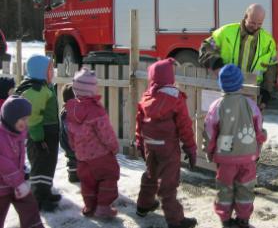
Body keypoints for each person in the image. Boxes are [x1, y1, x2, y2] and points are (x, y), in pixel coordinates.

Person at [135, 58, 198, 228]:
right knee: (168, 183)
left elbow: (139, 122)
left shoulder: (146, 96)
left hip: (150, 144)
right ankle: (175, 220)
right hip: (168, 147)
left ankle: (143, 204)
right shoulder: (176, 97)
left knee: (150, 174)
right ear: (169, 77)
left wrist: (140, 142)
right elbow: (184, 125)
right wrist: (190, 147)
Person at [203, 64, 267, 228]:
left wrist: (209, 151)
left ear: (221, 84)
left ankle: (225, 219)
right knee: (245, 188)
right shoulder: (250, 105)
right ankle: (243, 219)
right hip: (248, 156)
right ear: (240, 83)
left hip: (225, 158)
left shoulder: (216, 106)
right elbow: (259, 128)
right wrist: (259, 142)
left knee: (225, 188)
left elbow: (209, 133)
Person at [199, 3, 277, 111]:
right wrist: (217, 66)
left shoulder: (268, 41)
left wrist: (266, 95)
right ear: (245, 17)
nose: (255, 27)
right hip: (224, 92)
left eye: (259, 24)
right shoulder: (226, 32)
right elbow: (206, 47)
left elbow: (271, 70)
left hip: (251, 95)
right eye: (252, 22)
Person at [66, 67, 120, 218]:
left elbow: (70, 132)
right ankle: (103, 206)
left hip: (82, 155)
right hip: (100, 154)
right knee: (109, 175)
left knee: (87, 181)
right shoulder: (96, 110)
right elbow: (105, 133)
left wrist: (74, 147)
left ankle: (90, 206)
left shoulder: (71, 109)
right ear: (92, 90)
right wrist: (114, 147)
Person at [15, 54, 60, 212]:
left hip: (48, 132)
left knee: (48, 164)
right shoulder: (36, 90)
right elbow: (33, 118)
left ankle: (45, 192)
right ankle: (39, 198)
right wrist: (39, 139)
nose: (52, 72)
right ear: (40, 71)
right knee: (41, 164)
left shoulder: (44, 87)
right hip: (41, 133)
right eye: (49, 69)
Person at [0, 95, 44, 228]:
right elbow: (4, 164)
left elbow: (18, 155)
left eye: (27, 119)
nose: (25, 122)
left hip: (17, 183)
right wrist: (18, 182)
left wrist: (22, 169)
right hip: (1, 187)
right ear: (10, 118)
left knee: (29, 206)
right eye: (22, 119)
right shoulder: (1, 137)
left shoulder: (19, 132)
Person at [59, 83, 79, 183]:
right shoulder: (69, 112)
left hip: (66, 142)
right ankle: (74, 174)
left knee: (72, 157)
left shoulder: (66, 110)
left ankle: (73, 173)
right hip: (72, 142)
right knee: (75, 158)